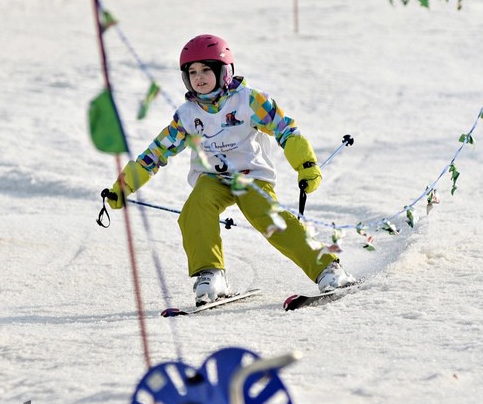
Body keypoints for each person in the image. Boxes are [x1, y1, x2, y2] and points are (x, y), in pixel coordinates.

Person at [106, 34, 355, 306]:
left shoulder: (249, 101)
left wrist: (306, 166)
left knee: (267, 216)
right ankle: (211, 274)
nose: (199, 77)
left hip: (251, 177)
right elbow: (157, 152)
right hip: (212, 179)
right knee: (196, 207)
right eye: (192, 72)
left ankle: (327, 268)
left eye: (206, 70)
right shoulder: (188, 115)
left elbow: (286, 129)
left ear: (224, 71)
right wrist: (124, 186)